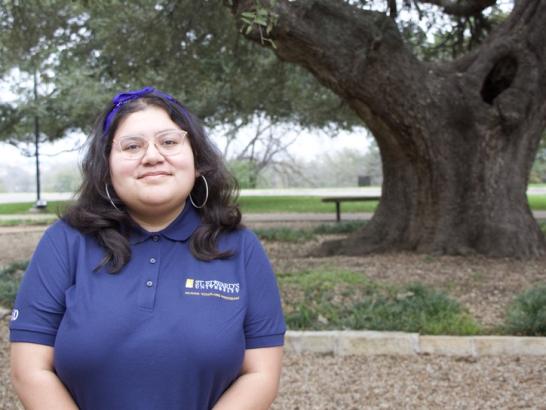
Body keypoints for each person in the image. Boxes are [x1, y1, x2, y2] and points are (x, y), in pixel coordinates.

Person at [9, 87, 286, 410]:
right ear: (107, 168)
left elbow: (261, 374)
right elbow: (30, 370)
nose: (153, 156)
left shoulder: (240, 247)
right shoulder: (65, 241)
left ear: (197, 160)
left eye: (169, 142)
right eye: (132, 146)